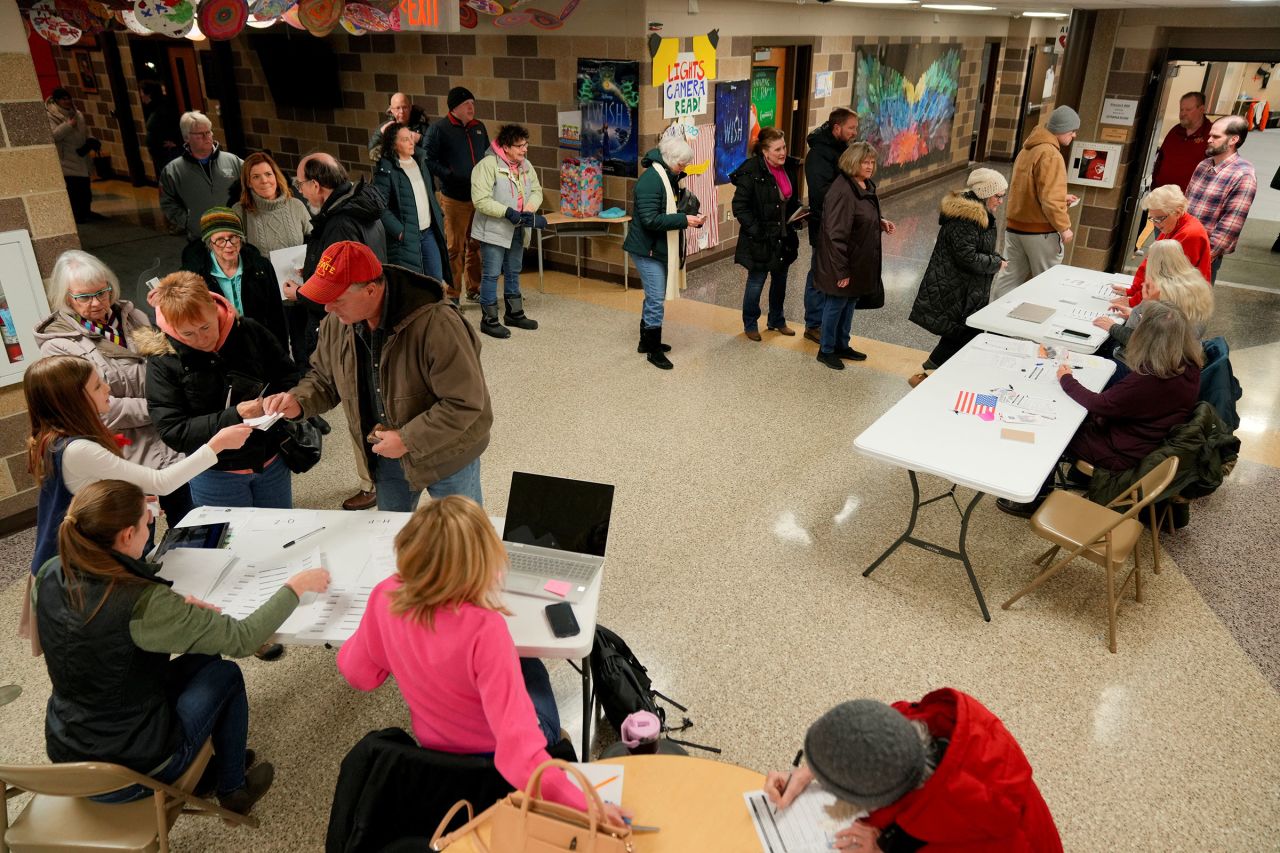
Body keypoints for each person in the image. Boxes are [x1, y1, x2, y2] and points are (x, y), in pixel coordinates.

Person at [33, 479, 330, 814]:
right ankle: (233, 790)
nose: (151, 526)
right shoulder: (142, 605)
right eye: (147, 522)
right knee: (226, 673)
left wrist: (172, 610)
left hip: (69, 745)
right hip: (130, 769)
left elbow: (93, 639)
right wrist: (294, 587)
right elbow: (244, 639)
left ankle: (206, 769)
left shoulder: (50, 572)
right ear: (127, 535)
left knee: (206, 656)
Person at [336, 495, 626, 826]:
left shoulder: (385, 594)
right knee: (530, 664)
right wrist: (586, 805)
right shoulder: (485, 629)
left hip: (433, 745)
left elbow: (360, 675)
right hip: (492, 754)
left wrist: (388, 637)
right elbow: (517, 755)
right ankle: (557, 736)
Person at [263, 241, 492, 512]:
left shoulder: (439, 324)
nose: (327, 308)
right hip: (386, 455)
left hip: (448, 453)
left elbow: (463, 403)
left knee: (463, 541)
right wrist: (298, 401)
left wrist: (407, 439)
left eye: (336, 299)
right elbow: (325, 378)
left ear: (371, 290)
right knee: (392, 541)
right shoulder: (338, 321)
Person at [23, 354, 251, 583]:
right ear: (74, 401)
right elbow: (162, 482)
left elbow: (88, 491)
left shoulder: (52, 440)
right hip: (71, 571)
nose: (107, 389)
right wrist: (217, 445)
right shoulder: (78, 450)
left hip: (66, 562)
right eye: (96, 386)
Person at [765, 689, 1061, 851]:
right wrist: (811, 770)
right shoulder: (918, 726)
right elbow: (866, 737)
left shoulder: (975, 834)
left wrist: (885, 849)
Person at [997, 300, 1204, 517]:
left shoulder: (1149, 380)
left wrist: (1066, 379)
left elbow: (1101, 405)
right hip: (1147, 442)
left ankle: (1035, 498)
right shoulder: (1188, 365)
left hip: (1122, 452)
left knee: (1053, 429)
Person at [34, 250, 193, 528]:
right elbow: (97, 410)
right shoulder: (59, 345)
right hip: (123, 456)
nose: (97, 303)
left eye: (103, 292)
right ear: (66, 297)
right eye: (84, 297)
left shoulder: (134, 318)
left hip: (170, 443)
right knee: (136, 539)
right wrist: (163, 407)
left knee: (194, 526)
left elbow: (167, 369)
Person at [139, 272, 299, 511]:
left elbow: (288, 375)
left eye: (205, 327)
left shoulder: (249, 331)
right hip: (214, 472)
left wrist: (279, 400)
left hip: (271, 460)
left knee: (280, 534)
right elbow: (172, 430)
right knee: (227, 543)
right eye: (188, 334)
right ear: (172, 328)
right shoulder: (163, 358)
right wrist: (235, 415)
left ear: (215, 308)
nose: (202, 340)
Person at [293, 153, 387, 512]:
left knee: (362, 401)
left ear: (317, 185)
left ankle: (371, 481)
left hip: (361, 326)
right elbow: (323, 380)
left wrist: (307, 296)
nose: (300, 191)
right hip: (363, 318)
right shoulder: (360, 207)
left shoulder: (339, 224)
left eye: (301, 184)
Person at [907, 169, 1009, 387]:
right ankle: (927, 375)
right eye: (998, 196)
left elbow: (978, 248)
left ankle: (934, 375)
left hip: (967, 287)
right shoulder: (966, 218)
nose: (1001, 201)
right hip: (955, 286)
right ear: (984, 193)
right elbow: (967, 257)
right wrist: (995, 263)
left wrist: (995, 258)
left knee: (964, 332)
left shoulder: (980, 213)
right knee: (962, 332)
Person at [622, 137, 704, 371]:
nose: (685, 168)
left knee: (653, 297)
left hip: (656, 247)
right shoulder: (651, 180)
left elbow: (670, 209)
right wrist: (683, 220)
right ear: (669, 159)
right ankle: (653, 349)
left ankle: (645, 342)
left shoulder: (668, 176)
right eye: (682, 164)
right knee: (656, 298)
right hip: (647, 249)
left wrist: (690, 219)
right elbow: (649, 220)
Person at [812, 142, 894, 371]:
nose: (869, 167)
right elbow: (835, 234)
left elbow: (859, 217)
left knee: (849, 303)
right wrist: (841, 270)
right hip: (843, 261)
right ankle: (826, 350)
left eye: (872, 162)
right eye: (864, 162)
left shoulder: (864, 185)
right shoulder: (842, 190)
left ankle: (842, 345)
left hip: (858, 260)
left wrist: (879, 222)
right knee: (836, 303)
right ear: (852, 163)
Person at [989, 106, 1081, 300]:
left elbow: (1027, 189)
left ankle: (991, 322)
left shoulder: (1027, 149)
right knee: (1046, 281)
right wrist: (1064, 227)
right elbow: (1049, 199)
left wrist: (1062, 197)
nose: (1074, 136)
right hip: (1040, 232)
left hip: (1015, 228)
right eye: (1072, 131)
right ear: (1062, 129)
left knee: (1008, 278)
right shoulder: (1051, 154)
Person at [232, 152, 313, 367]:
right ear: (248, 182)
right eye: (256, 176)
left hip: (297, 290)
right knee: (274, 353)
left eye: (268, 174)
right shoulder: (240, 212)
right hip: (265, 296)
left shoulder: (296, 206)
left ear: (277, 176)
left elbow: (313, 241)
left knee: (304, 349)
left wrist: (308, 264)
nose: (264, 180)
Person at [1096, 240, 1214, 379]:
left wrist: (1112, 327)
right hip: (1180, 360)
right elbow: (1174, 328)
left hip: (1142, 365)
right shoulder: (1198, 284)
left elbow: (1146, 341)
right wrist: (1133, 314)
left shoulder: (1158, 292)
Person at [470, 123, 545, 339]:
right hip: (494, 229)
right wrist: (507, 212)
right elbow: (481, 200)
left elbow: (537, 190)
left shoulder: (525, 165)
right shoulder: (487, 166)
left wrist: (529, 208)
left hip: (518, 227)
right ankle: (489, 320)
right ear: (506, 146)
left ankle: (514, 313)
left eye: (526, 145)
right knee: (492, 274)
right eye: (519, 146)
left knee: (513, 270)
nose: (524, 149)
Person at [180, 208, 289, 356]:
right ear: (209, 244)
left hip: (260, 346)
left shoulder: (261, 267)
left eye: (234, 237)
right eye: (220, 240)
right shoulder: (194, 276)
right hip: (220, 350)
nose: (229, 245)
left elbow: (276, 315)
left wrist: (281, 353)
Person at [731, 127, 803, 341]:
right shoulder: (750, 172)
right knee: (756, 281)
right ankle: (750, 323)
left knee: (780, 280)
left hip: (784, 236)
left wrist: (797, 215)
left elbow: (791, 199)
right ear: (764, 151)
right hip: (760, 238)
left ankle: (777, 320)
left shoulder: (789, 167)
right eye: (777, 149)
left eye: (784, 147)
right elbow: (740, 207)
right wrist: (757, 231)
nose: (783, 152)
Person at [425, 87, 490, 301]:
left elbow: (488, 155)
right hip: (454, 199)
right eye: (466, 104)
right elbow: (428, 159)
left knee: (476, 244)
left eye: (473, 103)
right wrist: (449, 175)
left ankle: (475, 288)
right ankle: (452, 294)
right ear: (454, 107)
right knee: (454, 248)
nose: (472, 107)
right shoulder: (439, 129)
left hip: (478, 197)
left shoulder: (478, 127)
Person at [803, 108, 860, 342]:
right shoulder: (819, 154)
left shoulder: (843, 149)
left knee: (835, 273)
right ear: (836, 127)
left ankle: (829, 324)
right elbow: (821, 194)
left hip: (844, 224)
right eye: (851, 128)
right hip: (824, 224)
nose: (855, 133)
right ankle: (813, 324)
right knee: (819, 273)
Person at [373, 122, 451, 285]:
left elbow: (428, 193)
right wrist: (400, 232)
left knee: (436, 281)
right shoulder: (386, 168)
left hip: (428, 232)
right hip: (407, 236)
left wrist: (438, 215)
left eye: (411, 138)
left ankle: (437, 311)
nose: (411, 142)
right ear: (394, 144)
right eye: (405, 139)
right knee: (412, 286)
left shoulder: (420, 160)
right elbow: (379, 205)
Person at [1185, 115, 1257, 283]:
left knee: (1191, 307)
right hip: (1180, 247)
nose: (1209, 139)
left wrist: (1203, 258)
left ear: (1234, 139)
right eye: (1210, 135)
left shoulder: (1243, 175)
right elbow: (1185, 206)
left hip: (1203, 258)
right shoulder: (1203, 165)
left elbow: (1230, 227)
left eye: (1216, 137)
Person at [1114, 184, 1211, 308]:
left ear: (1178, 211)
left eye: (1159, 218)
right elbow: (1150, 263)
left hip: (1183, 306)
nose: (1156, 224)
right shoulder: (1172, 225)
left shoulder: (1190, 235)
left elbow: (1164, 278)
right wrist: (1132, 291)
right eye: (1152, 218)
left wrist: (1134, 302)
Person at [159, 111, 243, 242]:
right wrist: (188, 222)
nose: (207, 137)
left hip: (236, 234)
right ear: (186, 138)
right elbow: (167, 202)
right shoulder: (173, 171)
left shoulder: (233, 161)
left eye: (208, 132)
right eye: (200, 134)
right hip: (200, 238)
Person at [46, 88, 95, 223]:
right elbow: (53, 136)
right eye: (63, 99)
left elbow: (86, 131)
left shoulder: (77, 113)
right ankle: (77, 216)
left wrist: (91, 140)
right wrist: (68, 125)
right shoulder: (51, 115)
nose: (67, 101)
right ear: (56, 101)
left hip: (82, 156)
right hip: (66, 159)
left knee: (85, 190)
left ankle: (86, 212)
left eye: (68, 98)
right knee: (74, 191)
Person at [1150, 92, 1211, 194]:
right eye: (1181, 109)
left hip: (1188, 200)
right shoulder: (1175, 131)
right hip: (1161, 195)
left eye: (1188, 110)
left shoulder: (1211, 134)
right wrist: (1154, 187)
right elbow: (1160, 159)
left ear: (1201, 109)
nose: (1183, 113)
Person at [367, 92, 430, 163]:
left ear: (410, 107)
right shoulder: (385, 127)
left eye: (404, 107)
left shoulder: (422, 126)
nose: (401, 111)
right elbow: (371, 150)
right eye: (397, 108)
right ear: (391, 110)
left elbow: (434, 151)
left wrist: (420, 139)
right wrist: (380, 133)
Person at [139, 80, 182, 175]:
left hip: (168, 154)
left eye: (141, 92)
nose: (140, 95)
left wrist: (176, 143)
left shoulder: (163, 109)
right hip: (161, 155)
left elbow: (175, 126)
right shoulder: (154, 109)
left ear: (149, 93)